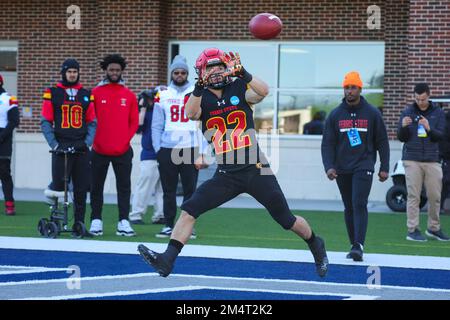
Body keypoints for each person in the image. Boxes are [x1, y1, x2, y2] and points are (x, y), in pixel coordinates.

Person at [138, 48, 328, 278]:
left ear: (228, 67)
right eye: (210, 67)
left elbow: (264, 91)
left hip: (255, 168)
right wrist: (199, 87)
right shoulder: (199, 96)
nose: (216, 71)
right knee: (189, 209)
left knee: (286, 219)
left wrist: (244, 73)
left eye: (219, 66)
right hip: (227, 173)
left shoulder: (238, 87)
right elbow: (190, 113)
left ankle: (315, 244)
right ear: (201, 71)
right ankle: (167, 260)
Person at [321, 71, 390, 261]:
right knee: (348, 206)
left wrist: (385, 166)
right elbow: (327, 144)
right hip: (342, 167)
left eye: (353, 87)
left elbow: (382, 141)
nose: (349, 91)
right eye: (346, 88)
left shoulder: (372, 113)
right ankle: (354, 244)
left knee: (359, 203)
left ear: (360, 89)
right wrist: (329, 166)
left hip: (364, 165)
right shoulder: (335, 115)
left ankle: (359, 245)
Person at [151, 55, 208, 239]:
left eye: (183, 72)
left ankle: (187, 226)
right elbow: (156, 124)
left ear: (187, 74)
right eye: (176, 72)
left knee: (190, 190)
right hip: (168, 148)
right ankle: (168, 225)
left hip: (190, 148)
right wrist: (158, 148)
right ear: (172, 73)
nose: (180, 75)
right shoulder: (163, 93)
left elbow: (203, 123)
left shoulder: (196, 92)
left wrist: (203, 151)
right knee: (169, 190)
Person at [40, 59, 96, 234]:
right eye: (69, 71)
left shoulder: (86, 94)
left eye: (75, 71)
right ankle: (56, 221)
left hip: (80, 146)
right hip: (61, 145)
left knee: (81, 188)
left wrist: (87, 143)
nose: (72, 74)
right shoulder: (53, 92)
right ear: (63, 72)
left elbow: (92, 122)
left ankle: (79, 223)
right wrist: (54, 143)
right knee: (59, 185)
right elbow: (46, 121)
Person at [89, 54, 139, 237]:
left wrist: (123, 140)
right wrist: (95, 141)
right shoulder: (94, 93)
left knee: (124, 187)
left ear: (121, 71)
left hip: (123, 150)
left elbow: (134, 122)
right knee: (96, 187)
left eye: (117, 70)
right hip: (98, 150)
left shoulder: (129, 95)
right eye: (111, 70)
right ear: (105, 70)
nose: (114, 73)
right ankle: (96, 220)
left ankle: (123, 221)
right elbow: (90, 120)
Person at [397, 83, 449, 241]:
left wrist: (428, 128)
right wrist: (403, 127)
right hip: (411, 159)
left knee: (435, 195)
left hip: (433, 159)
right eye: (418, 99)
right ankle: (412, 230)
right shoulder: (407, 111)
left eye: (423, 99)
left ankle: (434, 228)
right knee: (414, 196)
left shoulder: (438, 113)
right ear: (414, 96)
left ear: (429, 96)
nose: (420, 102)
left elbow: (440, 136)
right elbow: (402, 137)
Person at [129, 88, 164, 225]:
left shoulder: (163, 110)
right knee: (144, 186)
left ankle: (160, 214)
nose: (152, 100)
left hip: (165, 153)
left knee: (163, 188)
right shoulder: (146, 112)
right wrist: (142, 108)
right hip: (149, 154)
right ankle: (136, 214)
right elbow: (138, 127)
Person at [0, 74, 20, 215]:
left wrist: (1, 136)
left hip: (3, 140)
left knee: (4, 173)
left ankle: (9, 205)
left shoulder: (9, 99)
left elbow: (14, 121)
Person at [438, 109, 450, 215]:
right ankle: (440, 207)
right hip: (446, 157)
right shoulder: (445, 122)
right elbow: (444, 142)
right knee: (445, 182)